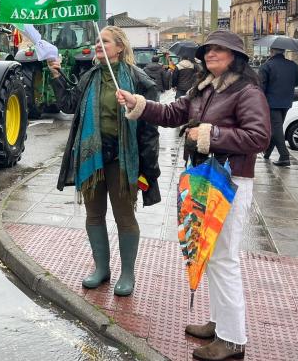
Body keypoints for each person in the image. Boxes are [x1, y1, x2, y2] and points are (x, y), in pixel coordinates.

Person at [116, 30, 271, 361]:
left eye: (220, 50)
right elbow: (173, 114)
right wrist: (138, 104)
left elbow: (258, 137)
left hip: (230, 181)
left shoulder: (248, 92)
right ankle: (220, 323)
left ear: (236, 57)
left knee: (223, 258)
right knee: (210, 255)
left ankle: (232, 339)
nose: (211, 54)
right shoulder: (203, 88)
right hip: (204, 179)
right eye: (208, 49)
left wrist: (211, 134)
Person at [47, 26, 161, 298]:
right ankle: (101, 269)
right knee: (94, 214)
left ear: (120, 47)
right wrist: (56, 74)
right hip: (92, 159)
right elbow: (69, 104)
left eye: (105, 42)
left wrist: (150, 169)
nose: (99, 45)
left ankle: (127, 273)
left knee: (124, 216)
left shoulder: (139, 80)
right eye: (98, 41)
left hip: (122, 159)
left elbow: (149, 129)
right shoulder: (91, 76)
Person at [259, 46, 298, 166]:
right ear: (283, 51)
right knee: (276, 128)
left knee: (276, 129)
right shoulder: (293, 65)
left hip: (271, 102)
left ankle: (284, 156)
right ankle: (267, 152)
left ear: (271, 52)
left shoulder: (266, 66)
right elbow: (297, 81)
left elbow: (261, 86)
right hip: (286, 101)